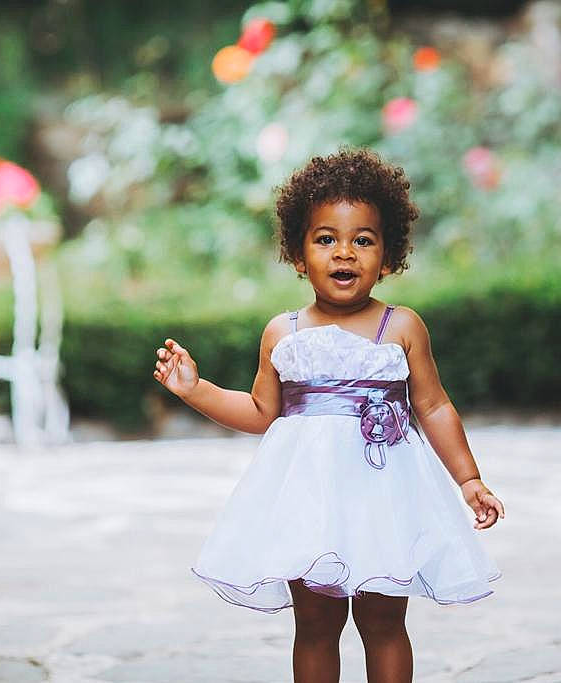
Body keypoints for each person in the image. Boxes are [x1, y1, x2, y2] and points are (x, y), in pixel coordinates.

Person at [153, 148, 504, 683]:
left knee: (384, 620)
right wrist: (195, 389)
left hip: (384, 499)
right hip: (310, 500)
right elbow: (258, 411)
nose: (345, 253)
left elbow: (432, 405)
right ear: (299, 255)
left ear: (388, 256)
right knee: (315, 623)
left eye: (363, 239)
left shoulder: (402, 326)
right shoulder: (284, 332)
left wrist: (469, 478)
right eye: (326, 239)